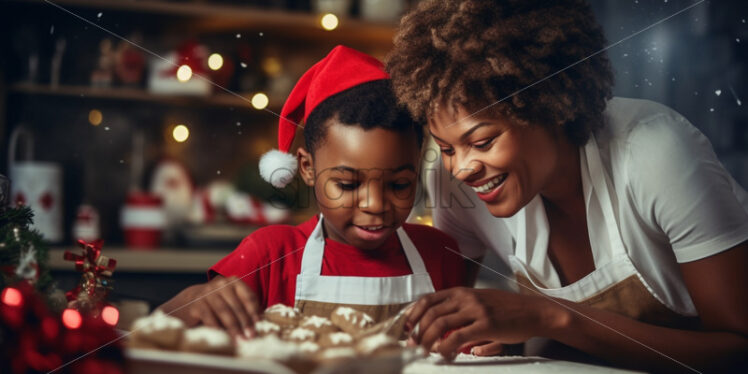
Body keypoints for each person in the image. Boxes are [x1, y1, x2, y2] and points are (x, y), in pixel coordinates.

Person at [385, 0, 748, 372]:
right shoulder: (452, 184)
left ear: (547, 107)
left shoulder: (655, 152)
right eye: (445, 148)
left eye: (482, 142)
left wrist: (551, 317)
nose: (461, 168)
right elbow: (450, 326)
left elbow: (738, 351)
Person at [159, 45, 467, 339]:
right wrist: (189, 303)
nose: (375, 205)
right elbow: (155, 330)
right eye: (348, 184)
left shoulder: (441, 255)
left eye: (399, 184)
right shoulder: (268, 255)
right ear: (307, 168)